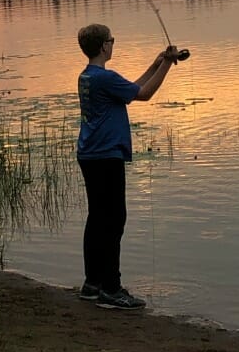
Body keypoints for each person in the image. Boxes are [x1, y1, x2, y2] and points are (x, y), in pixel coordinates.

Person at [75, 22, 180, 309]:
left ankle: (92, 284)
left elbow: (132, 90)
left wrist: (156, 62)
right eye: (112, 39)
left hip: (90, 154)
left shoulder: (89, 76)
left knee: (97, 220)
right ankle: (111, 288)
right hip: (106, 156)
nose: (113, 43)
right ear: (104, 46)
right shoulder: (103, 78)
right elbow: (144, 95)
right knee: (113, 221)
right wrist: (168, 65)